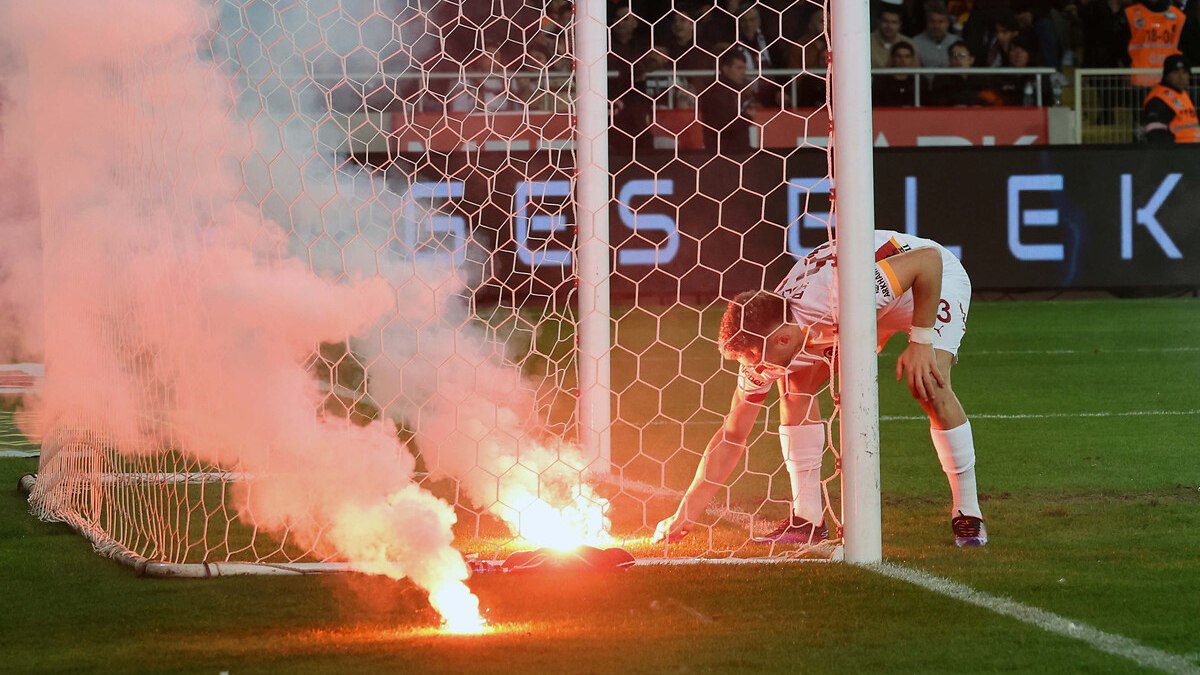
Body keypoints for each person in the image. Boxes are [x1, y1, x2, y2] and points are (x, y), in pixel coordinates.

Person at [652, 230, 988, 548]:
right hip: (860, 308)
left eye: (756, 358)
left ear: (783, 338)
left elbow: (927, 261)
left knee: (928, 383)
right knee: (793, 385)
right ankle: (807, 520)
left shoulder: (841, 294)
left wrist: (921, 341)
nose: (755, 369)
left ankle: (968, 512)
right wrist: (687, 510)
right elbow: (732, 434)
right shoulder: (775, 336)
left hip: (925, 282)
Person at [1116, 0, 1186, 87]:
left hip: (1168, 83)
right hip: (1138, 82)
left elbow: (1185, 49)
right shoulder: (1129, 14)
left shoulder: (1179, 17)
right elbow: (1120, 48)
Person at [699, 49, 756, 153]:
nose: (743, 72)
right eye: (739, 68)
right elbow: (723, 124)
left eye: (744, 68)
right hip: (724, 155)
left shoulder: (733, 91)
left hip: (735, 152)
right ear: (725, 69)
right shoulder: (715, 93)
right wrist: (746, 117)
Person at [1143, 53, 1200, 143]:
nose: (1181, 77)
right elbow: (1156, 136)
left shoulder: (1182, 94)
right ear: (1166, 75)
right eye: (1175, 72)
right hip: (1178, 154)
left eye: (1184, 72)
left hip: (1191, 151)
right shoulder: (1158, 99)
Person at [930, 40, 988, 105]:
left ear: (971, 59)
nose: (957, 59)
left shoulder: (982, 79)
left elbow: (988, 99)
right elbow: (938, 102)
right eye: (954, 56)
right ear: (949, 60)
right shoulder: (941, 79)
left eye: (962, 56)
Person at [913, 3, 958, 67]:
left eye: (940, 21)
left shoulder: (956, 41)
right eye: (932, 21)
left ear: (948, 23)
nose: (936, 26)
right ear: (927, 22)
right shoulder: (915, 42)